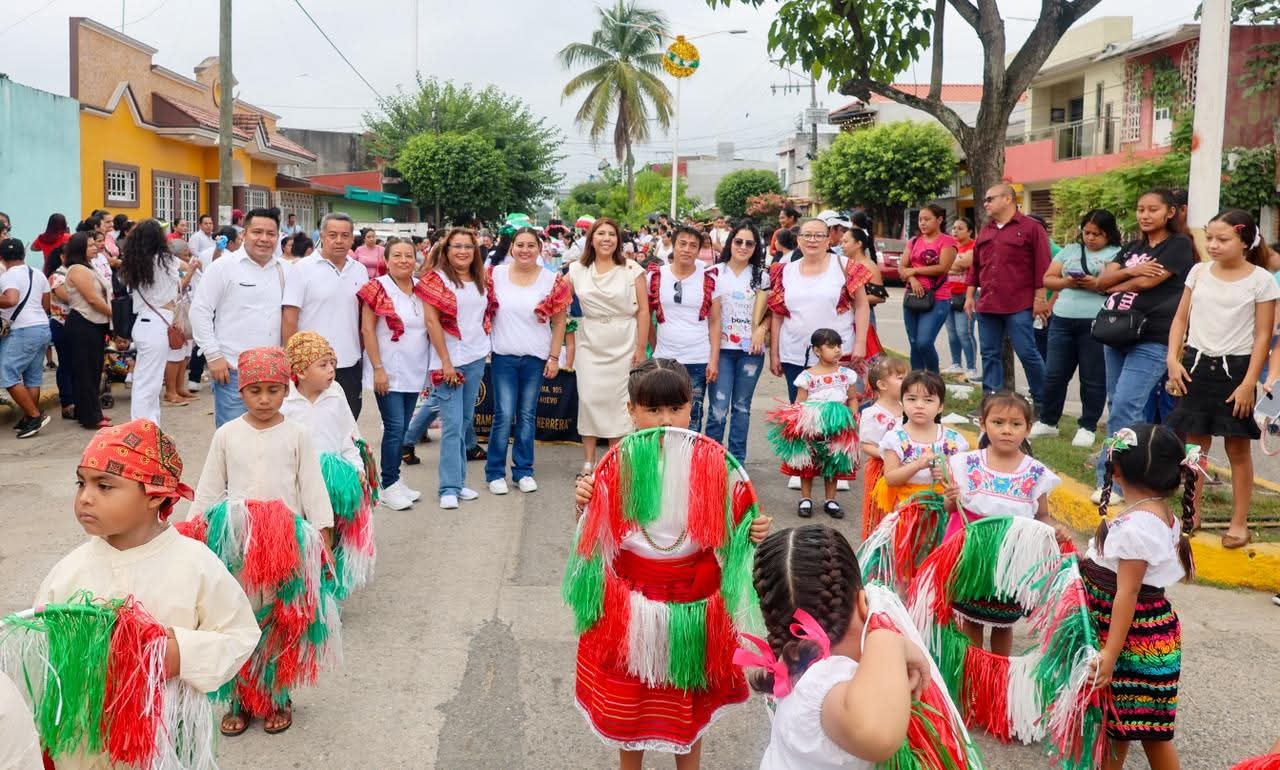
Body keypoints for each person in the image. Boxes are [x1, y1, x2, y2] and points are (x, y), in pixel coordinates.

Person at [568, 358, 771, 770]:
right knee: (630, 699)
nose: (667, 419)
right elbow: (593, 536)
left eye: (676, 408)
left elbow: (735, 528)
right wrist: (584, 504)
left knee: (686, 700)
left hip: (694, 601)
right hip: (629, 599)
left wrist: (754, 532)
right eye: (653, 410)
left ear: (691, 406)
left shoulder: (712, 462)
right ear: (631, 411)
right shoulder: (617, 462)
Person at [34, 418, 261, 769]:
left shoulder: (195, 563)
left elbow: (240, 634)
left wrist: (180, 653)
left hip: (166, 735)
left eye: (104, 486)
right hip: (84, 736)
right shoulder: (68, 571)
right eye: (81, 483)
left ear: (155, 496)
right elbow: (41, 651)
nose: (85, 498)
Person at [188, 346, 336, 736]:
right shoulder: (226, 435)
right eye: (256, 391)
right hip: (237, 545)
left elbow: (313, 488)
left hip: (285, 545)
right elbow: (207, 490)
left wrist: (322, 537)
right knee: (236, 617)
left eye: (274, 389)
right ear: (241, 392)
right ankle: (239, 697)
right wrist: (190, 537)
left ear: (287, 389)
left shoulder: (297, 434)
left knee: (278, 620)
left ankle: (275, 696)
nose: (265, 399)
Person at [749, 525, 929, 769]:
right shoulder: (822, 685)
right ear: (863, 603)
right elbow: (878, 733)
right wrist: (888, 640)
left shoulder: (794, 663)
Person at [1085, 423, 1195, 769]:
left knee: (1148, 731)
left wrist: (1109, 654)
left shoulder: (1136, 527)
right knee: (1124, 725)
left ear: (1115, 470)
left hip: (1133, 641)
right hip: (1148, 634)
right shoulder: (1155, 513)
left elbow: (1127, 592)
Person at [1168, 209, 1278, 549]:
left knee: (1237, 449)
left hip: (1237, 371)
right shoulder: (1198, 272)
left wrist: (1249, 383)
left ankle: (1239, 523)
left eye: (1222, 239)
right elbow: (1180, 319)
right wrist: (1172, 360)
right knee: (1194, 447)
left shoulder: (1261, 280)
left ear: (1244, 241)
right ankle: (1191, 513)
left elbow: (1263, 336)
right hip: (1196, 367)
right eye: (1210, 238)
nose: (1213, 245)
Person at [1091, 189, 1197, 505]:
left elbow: (1148, 283)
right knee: (1118, 405)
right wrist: (1133, 271)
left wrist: (1119, 279)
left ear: (1169, 212)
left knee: (1126, 405)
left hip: (1153, 336)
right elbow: (1101, 281)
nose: (1145, 215)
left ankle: (1113, 484)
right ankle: (1133, 474)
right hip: (1118, 333)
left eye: (1153, 209)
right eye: (1140, 209)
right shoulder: (1133, 247)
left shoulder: (1179, 245)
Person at [941, 392, 1063, 656]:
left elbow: (1042, 516)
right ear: (983, 424)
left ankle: (998, 670)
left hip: (1012, 556)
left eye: (1016, 424)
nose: (1006, 430)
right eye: (998, 423)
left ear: (1028, 429)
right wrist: (951, 498)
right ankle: (972, 669)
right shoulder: (965, 463)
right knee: (971, 617)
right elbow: (950, 509)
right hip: (973, 553)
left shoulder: (1035, 472)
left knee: (1003, 621)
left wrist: (1053, 529)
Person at [769, 217, 874, 494]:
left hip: (837, 352)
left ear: (830, 239)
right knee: (802, 412)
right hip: (796, 352)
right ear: (799, 239)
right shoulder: (784, 271)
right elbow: (778, 314)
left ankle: (835, 467)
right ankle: (801, 466)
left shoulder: (846, 267)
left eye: (819, 235)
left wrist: (860, 342)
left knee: (837, 412)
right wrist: (775, 353)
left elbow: (862, 307)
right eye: (807, 235)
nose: (812, 240)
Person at [283, 331, 377, 598]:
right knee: (304, 536)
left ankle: (328, 593)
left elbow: (349, 436)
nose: (331, 370)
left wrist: (357, 467)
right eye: (322, 365)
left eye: (332, 364)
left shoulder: (335, 394)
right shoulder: (286, 402)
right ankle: (302, 590)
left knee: (330, 536)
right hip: (300, 482)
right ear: (300, 372)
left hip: (333, 483)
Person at [484, 228, 570, 495]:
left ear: (539, 248)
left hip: (535, 358)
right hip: (503, 357)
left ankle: (523, 471)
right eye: (519, 245)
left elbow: (559, 322)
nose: (525, 250)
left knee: (527, 415)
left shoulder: (551, 280)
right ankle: (495, 472)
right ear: (511, 248)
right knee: (504, 414)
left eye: (530, 245)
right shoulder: (495, 275)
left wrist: (554, 357)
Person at [565, 218, 649, 475]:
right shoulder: (577, 269)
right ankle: (589, 461)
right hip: (589, 340)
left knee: (619, 403)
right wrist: (567, 332)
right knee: (589, 399)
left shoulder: (632, 269)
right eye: (600, 233)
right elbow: (557, 299)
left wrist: (641, 348)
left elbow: (644, 310)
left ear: (618, 240)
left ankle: (615, 460)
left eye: (611, 234)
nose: (606, 239)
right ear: (591, 238)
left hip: (624, 339)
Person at [1033, 209, 1122, 447]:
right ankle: (1048, 421)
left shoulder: (1117, 254)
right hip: (1062, 318)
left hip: (1096, 321)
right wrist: (1068, 282)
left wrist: (1096, 284)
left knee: (1092, 377)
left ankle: (1088, 426)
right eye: (1087, 233)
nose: (1090, 238)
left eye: (1097, 234)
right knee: (1054, 374)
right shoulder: (1071, 250)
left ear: (1108, 234)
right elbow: (1048, 278)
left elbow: (1119, 284)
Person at [190, 208, 286, 427]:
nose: (264, 239)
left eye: (270, 234)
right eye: (257, 232)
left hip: (273, 373)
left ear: (277, 237)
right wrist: (213, 355)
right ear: (244, 234)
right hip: (233, 372)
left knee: (270, 442)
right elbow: (200, 310)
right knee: (234, 441)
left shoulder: (285, 270)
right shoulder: (223, 267)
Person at [420, 227, 491, 509]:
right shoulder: (434, 280)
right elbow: (431, 322)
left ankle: (459, 483)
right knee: (451, 426)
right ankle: (447, 487)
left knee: (464, 422)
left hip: (475, 357)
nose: (462, 251)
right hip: (447, 361)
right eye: (456, 246)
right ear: (446, 251)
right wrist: (446, 362)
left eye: (468, 247)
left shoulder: (480, 279)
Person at [360, 237, 431, 510]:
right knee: (394, 428)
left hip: (413, 370)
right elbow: (368, 330)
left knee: (402, 427)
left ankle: (396, 480)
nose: (404, 260)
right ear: (386, 260)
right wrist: (378, 368)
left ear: (416, 259)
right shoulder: (377, 288)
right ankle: (387, 485)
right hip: (387, 370)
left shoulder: (421, 289)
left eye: (409, 255)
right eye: (397, 255)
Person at [963, 184, 1051, 404]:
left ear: (1008, 199)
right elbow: (976, 266)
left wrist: (1040, 300)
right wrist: (969, 296)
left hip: (1019, 304)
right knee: (990, 354)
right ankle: (991, 401)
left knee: (1027, 353)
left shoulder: (1031, 228)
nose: (986, 203)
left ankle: (1043, 403)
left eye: (990, 199)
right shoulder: (986, 229)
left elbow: (1043, 266)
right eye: (985, 200)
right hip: (988, 303)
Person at [767, 328, 859, 519]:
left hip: (839, 425)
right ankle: (806, 499)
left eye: (839, 346)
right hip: (813, 425)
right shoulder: (807, 377)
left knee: (833, 461)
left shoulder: (846, 374)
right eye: (831, 346)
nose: (837, 350)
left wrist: (853, 415)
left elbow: (852, 398)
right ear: (817, 351)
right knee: (808, 463)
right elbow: (800, 403)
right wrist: (797, 423)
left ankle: (830, 500)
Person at [283, 212, 367, 418]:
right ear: (322, 235)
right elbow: (289, 317)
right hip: (311, 365)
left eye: (345, 235)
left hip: (349, 363)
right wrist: (290, 360)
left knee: (348, 425)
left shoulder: (360, 270)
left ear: (352, 239)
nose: (339, 241)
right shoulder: (302, 269)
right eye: (332, 235)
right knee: (311, 425)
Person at [120, 220, 196, 425]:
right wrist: (193, 266)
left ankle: (148, 422)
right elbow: (182, 278)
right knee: (150, 381)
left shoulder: (136, 261)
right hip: (156, 323)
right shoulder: (164, 259)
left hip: (144, 322)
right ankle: (144, 424)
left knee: (146, 378)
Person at [705, 222, 769, 462]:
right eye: (738, 241)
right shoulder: (713, 273)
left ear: (756, 248)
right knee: (718, 409)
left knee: (742, 408)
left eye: (749, 243)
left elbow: (772, 311)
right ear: (730, 242)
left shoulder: (762, 277)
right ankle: (712, 459)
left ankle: (736, 461)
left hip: (750, 353)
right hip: (720, 351)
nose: (743, 247)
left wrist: (761, 329)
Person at [650, 225, 720, 433]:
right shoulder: (655, 276)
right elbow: (645, 316)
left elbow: (715, 321)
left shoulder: (710, 277)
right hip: (664, 359)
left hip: (697, 358)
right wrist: (654, 346)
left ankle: (689, 463)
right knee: (662, 414)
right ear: (673, 245)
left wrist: (713, 359)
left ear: (699, 250)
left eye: (693, 246)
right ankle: (665, 462)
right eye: (682, 244)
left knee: (692, 415)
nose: (687, 250)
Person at [875, 370, 968, 514]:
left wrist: (946, 473)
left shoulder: (953, 440)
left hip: (943, 509)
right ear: (902, 402)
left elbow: (964, 478)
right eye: (911, 399)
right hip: (906, 510)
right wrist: (917, 465)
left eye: (928, 400)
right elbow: (891, 479)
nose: (919, 405)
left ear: (940, 407)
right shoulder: (895, 438)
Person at [55, 232, 113, 430]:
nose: (95, 248)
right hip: (83, 323)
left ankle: (90, 411)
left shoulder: (90, 267)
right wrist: (114, 314)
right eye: (90, 245)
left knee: (94, 370)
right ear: (80, 249)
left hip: (95, 324)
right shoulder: (78, 270)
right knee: (86, 372)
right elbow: (93, 299)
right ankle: (91, 417)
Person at [0, 239, 53, 438]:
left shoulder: (8, 276)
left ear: (2, 258)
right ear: (23, 255)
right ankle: (28, 418)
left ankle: (34, 416)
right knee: (32, 377)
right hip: (41, 328)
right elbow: (46, 304)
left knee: (7, 373)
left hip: (22, 330)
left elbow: (11, 299)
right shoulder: (38, 274)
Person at [900, 205, 956, 372]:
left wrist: (915, 270)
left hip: (937, 298)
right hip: (911, 296)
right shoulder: (913, 241)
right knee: (914, 342)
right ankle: (916, 381)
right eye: (920, 219)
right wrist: (912, 279)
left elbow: (943, 268)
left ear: (939, 220)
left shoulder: (947, 241)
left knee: (924, 342)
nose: (922, 223)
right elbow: (902, 267)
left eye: (927, 219)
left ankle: (933, 378)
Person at [859, 358, 908, 539]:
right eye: (901, 377)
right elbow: (867, 445)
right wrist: (887, 455)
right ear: (882, 385)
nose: (907, 382)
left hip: (906, 468)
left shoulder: (908, 408)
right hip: (882, 470)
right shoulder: (872, 414)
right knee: (880, 511)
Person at [943, 217, 978, 380]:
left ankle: (972, 367)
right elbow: (943, 265)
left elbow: (963, 264)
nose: (955, 231)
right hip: (948, 294)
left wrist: (950, 264)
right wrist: (954, 263)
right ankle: (956, 364)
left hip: (967, 295)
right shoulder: (949, 246)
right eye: (954, 228)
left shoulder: (974, 246)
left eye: (960, 228)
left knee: (965, 332)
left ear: (969, 231)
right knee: (952, 333)